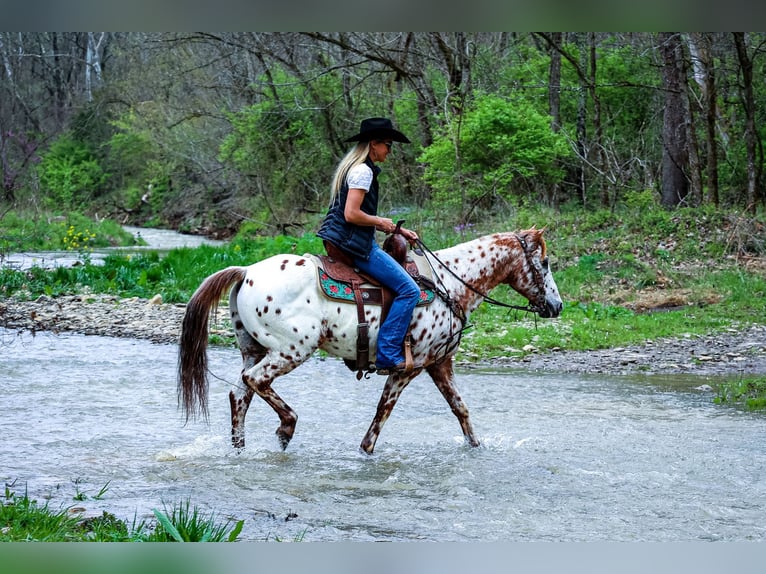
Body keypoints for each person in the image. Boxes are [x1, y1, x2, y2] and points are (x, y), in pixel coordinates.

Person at [317, 117, 421, 375]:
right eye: (388, 145)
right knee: (409, 290)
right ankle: (387, 354)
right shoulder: (363, 171)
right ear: (374, 144)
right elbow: (352, 214)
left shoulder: (357, 168)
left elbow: (355, 215)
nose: (390, 151)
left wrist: (398, 230)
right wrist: (380, 222)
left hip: (343, 239)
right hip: (354, 246)